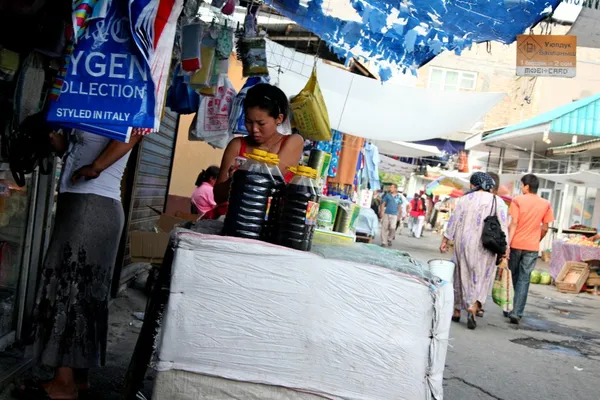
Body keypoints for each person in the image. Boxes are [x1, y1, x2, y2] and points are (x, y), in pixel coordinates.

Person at [14, 114, 142, 400]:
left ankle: (63, 384)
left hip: (92, 204)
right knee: (82, 294)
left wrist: (95, 167)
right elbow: (76, 151)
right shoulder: (89, 104)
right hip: (82, 202)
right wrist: (57, 142)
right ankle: (78, 378)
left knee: (69, 290)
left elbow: (133, 134)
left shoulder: (120, 99)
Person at [440, 172, 508, 330]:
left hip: (463, 243)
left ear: (474, 184)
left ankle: (456, 310)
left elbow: (453, 221)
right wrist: (506, 248)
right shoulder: (497, 201)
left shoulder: (464, 199)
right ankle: (473, 306)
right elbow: (503, 225)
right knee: (482, 275)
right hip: (486, 244)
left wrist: (445, 240)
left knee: (460, 274)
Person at [214, 83, 304, 203]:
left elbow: (270, 179)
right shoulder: (237, 145)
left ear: (279, 119)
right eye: (248, 121)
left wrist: (242, 175)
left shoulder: (294, 141)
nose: (254, 129)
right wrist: (232, 181)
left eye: (261, 123)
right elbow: (218, 197)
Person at [506, 174, 554, 325]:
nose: (521, 188)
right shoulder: (545, 203)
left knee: (514, 274)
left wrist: (508, 244)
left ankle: (511, 306)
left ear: (526, 186)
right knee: (524, 278)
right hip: (532, 247)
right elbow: (545, 228)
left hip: (515, 244)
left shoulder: (517, 200)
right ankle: (517, 312)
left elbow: (513, 223)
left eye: (521, 185)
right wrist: (536, 240)